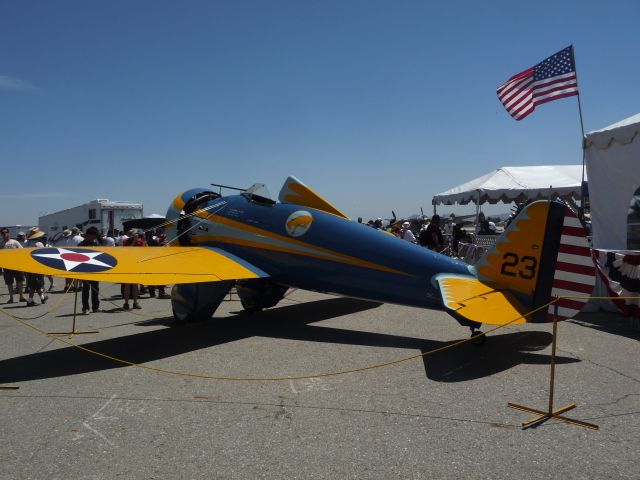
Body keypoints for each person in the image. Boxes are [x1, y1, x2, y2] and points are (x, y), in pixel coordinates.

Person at [78, 226, 101, 314]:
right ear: (88, 235)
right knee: (85, 290)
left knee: (96, 289)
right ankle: (85, 308)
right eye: (94, 236)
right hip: (85, 270)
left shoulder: (96, 244)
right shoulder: (81, 245)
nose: (95, 238)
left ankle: (95, 307)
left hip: (95, 270)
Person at [0, 228, 26, 304]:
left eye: (6, 232)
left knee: (20, 281)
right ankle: (11, 298)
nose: (4, 234)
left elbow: (22, 251)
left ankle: (21, 297)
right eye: (2, 233)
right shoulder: (1, 244)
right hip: (7, 266)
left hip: (16, 264)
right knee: (9, 282)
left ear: (9, 233)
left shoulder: (15, 242)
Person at [122, 230, 145, 310]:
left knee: (135, 285)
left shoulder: (140, 242)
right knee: (127, 285)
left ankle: (135, 302)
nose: (136, 236)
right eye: (134, 235)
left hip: (136, 265)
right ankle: (126, 303)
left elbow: (143, 252)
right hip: (128, 265)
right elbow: (127, 252)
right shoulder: (126, 241)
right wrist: (133, 242)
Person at [25, 227, 48, 306]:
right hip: (37, 266)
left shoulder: (26, 243)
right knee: (37, 283)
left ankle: (42, 297)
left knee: (33, 283)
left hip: (29, 266)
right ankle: (30, 300)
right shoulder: (39, 244)